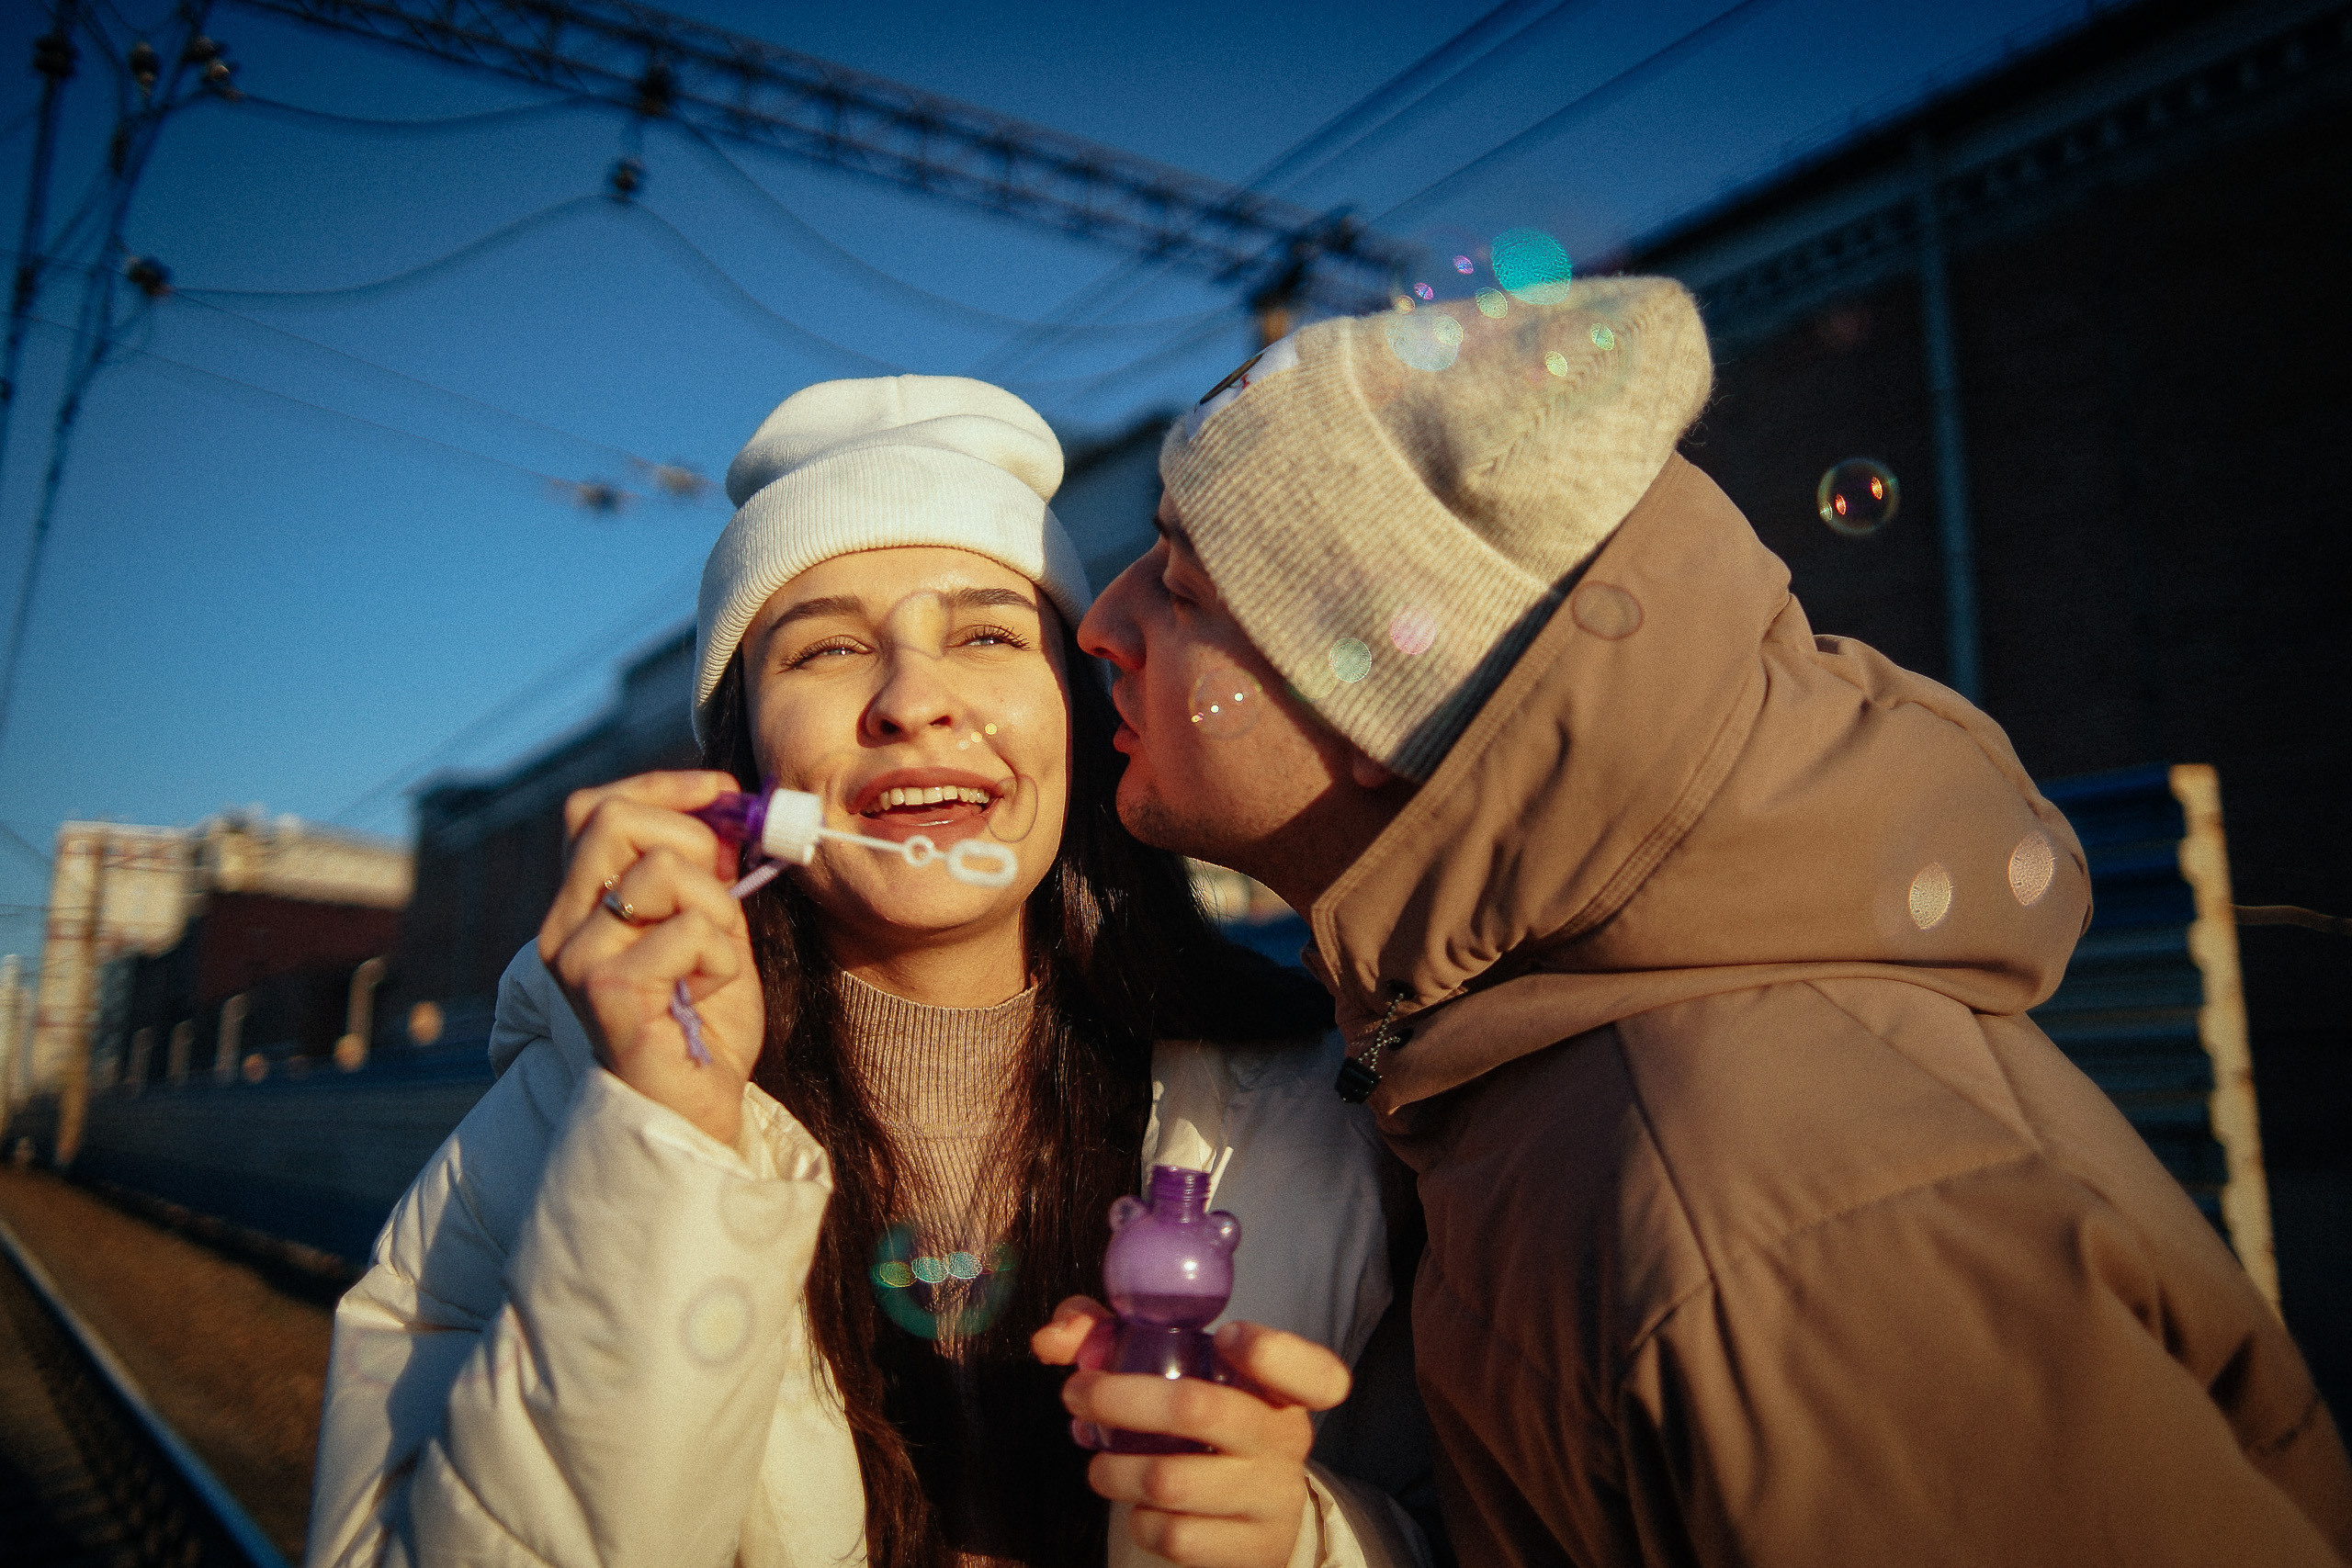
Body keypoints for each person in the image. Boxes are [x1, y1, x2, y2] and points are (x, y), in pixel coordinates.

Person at [1068, 279, 2352, 1565]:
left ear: (1376, 703)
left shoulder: (1780, 1213)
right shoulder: (1520, 1063)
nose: (1105, 624)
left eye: (1182, 587)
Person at [305, 377, 1436, 1568]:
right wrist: (665, 1146)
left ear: (1079, 713)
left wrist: (1303, 1542)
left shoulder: (1328, 1116)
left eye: (989, 635)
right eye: (829, 649)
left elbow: (1471, 1524)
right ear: (746, 760)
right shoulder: (568, 1120)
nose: (912, 702)